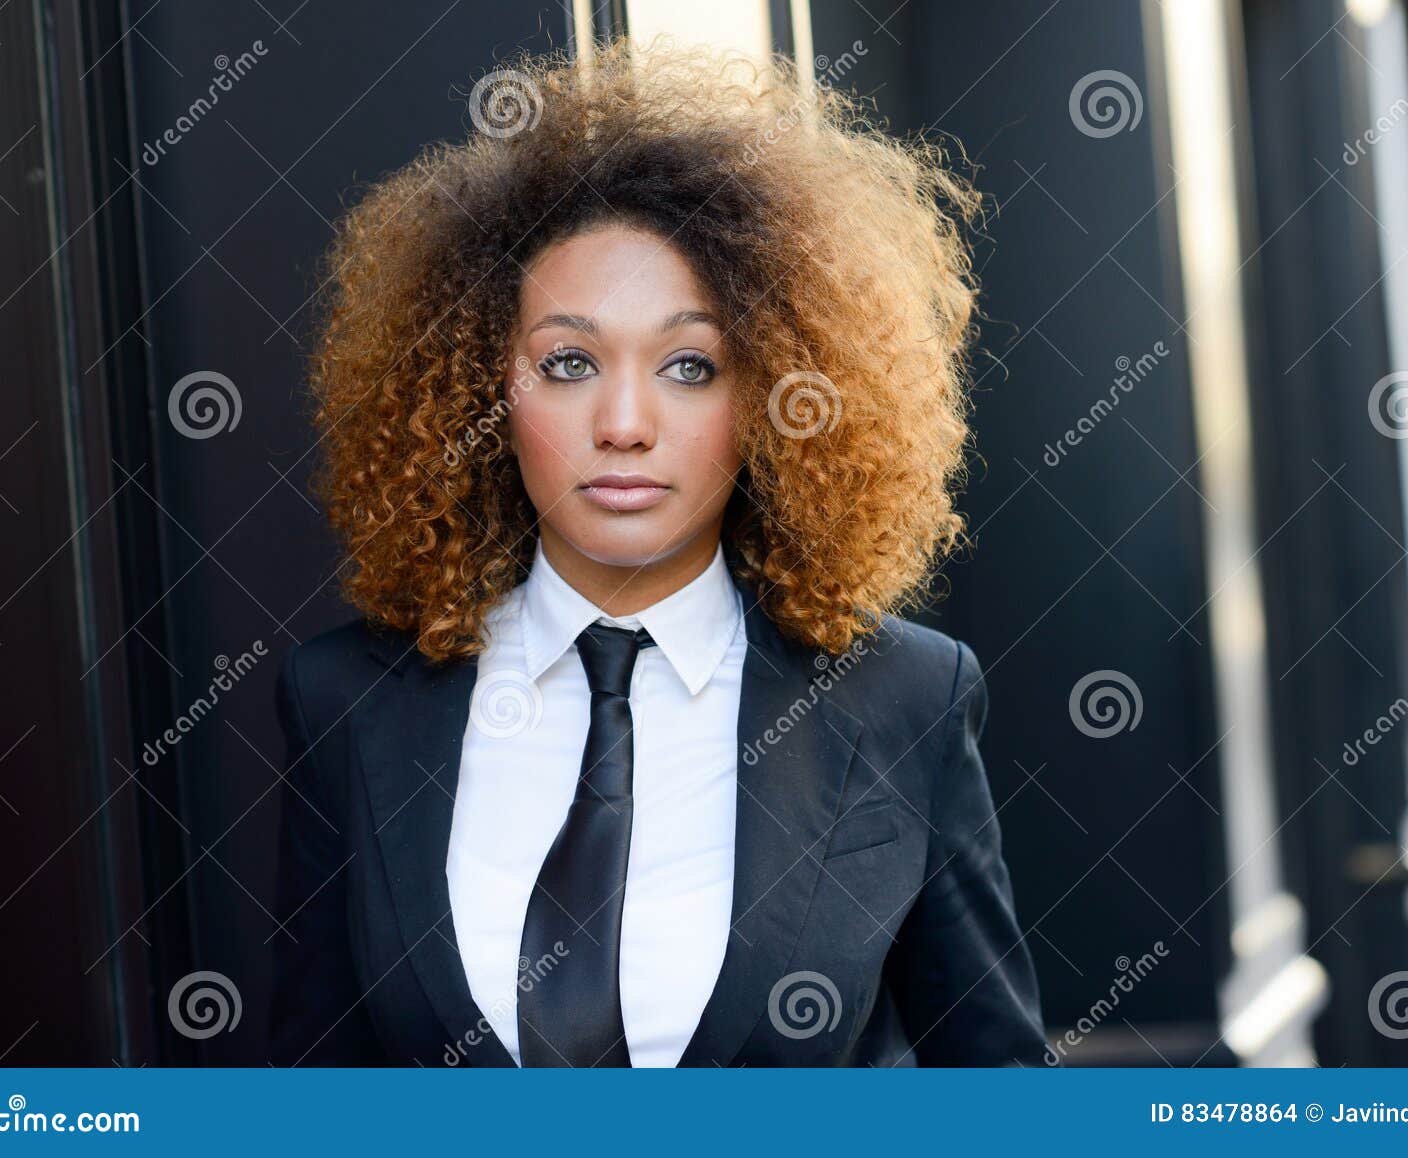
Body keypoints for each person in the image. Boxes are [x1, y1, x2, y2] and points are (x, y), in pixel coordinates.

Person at [267, 35, 1047, 1067]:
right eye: (568, 362)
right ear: (478, 396)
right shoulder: (348, 702)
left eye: (689, 364)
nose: (624, 422)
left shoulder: (902, 698)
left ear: (770, 394)